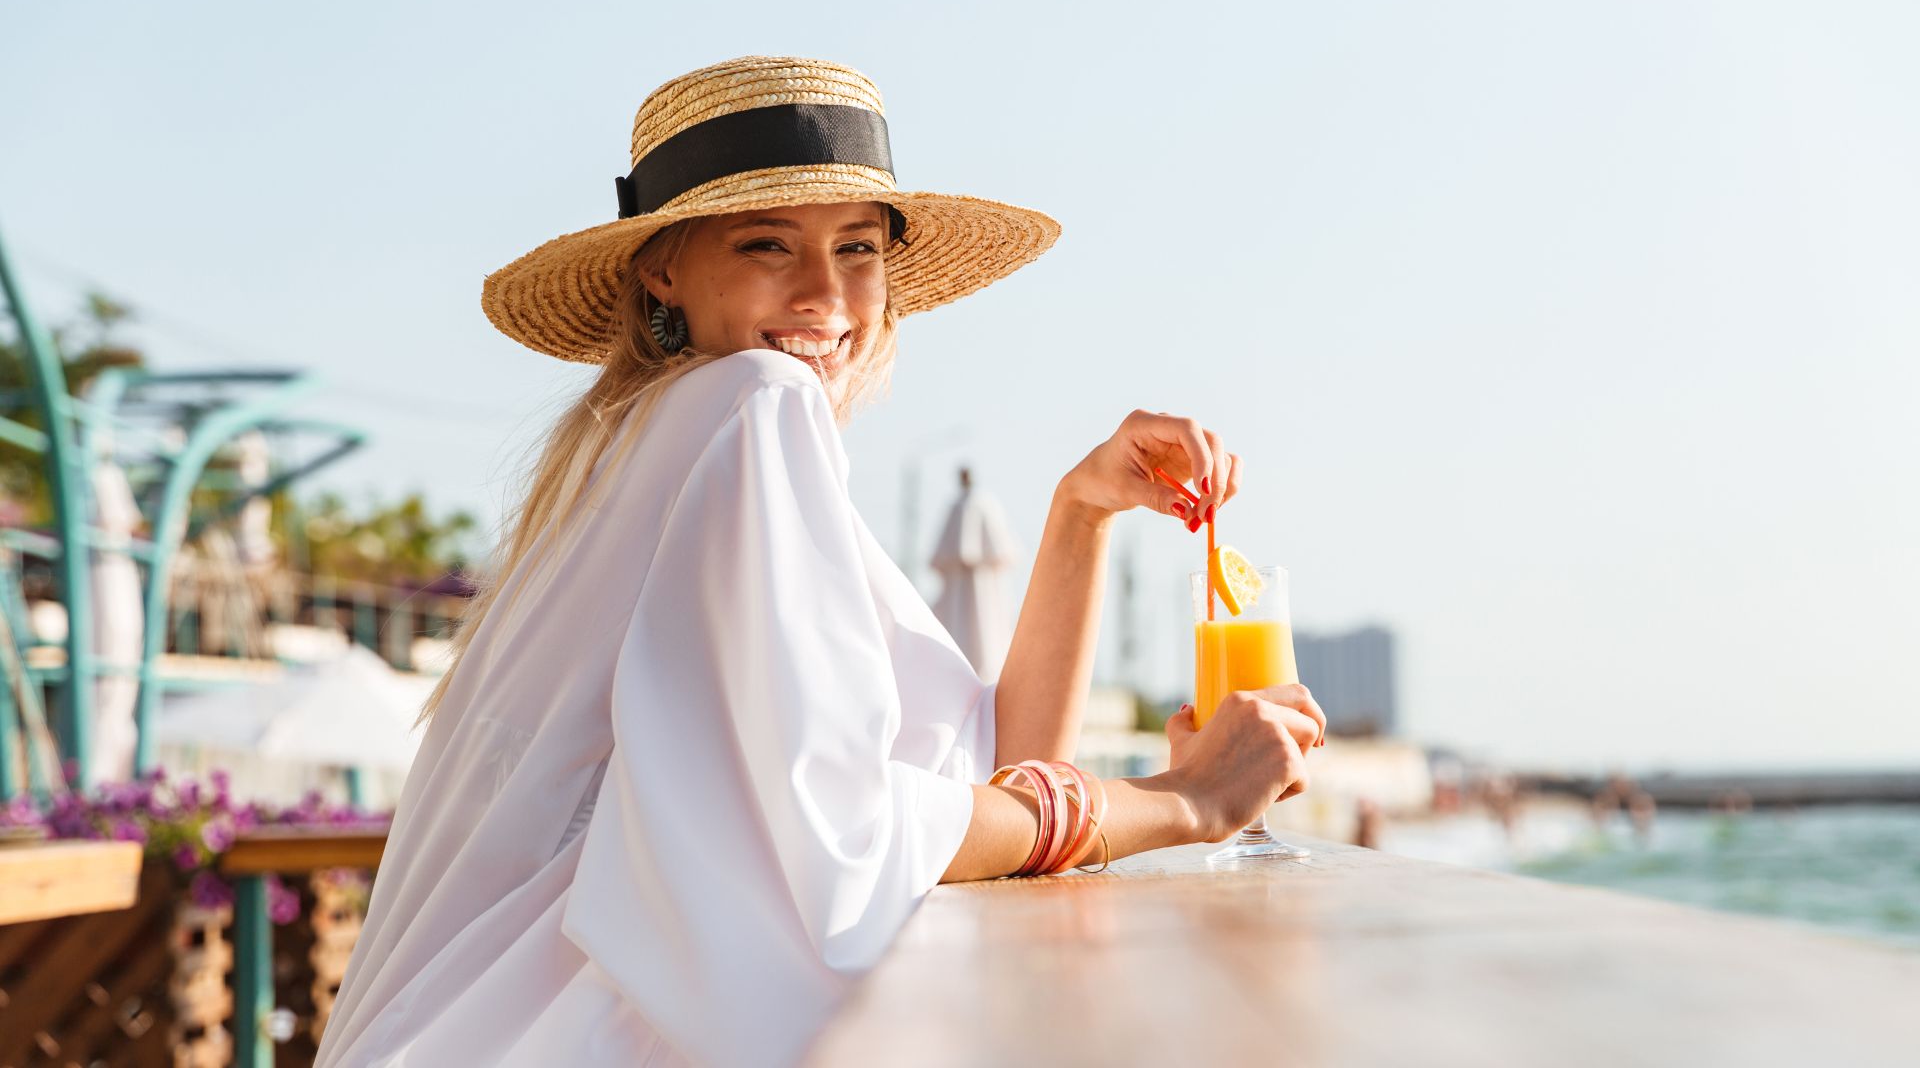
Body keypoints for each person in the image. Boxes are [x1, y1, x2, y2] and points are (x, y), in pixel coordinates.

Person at [315, 56, 1324, 1068]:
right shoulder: (756, 403)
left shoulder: (652, 443)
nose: (825, 294)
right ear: (662, 266)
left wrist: (1081, 515)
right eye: (767, 244)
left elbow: (1000, 763)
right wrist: (1183, 801)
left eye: (857, 248)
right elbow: (847, 845)